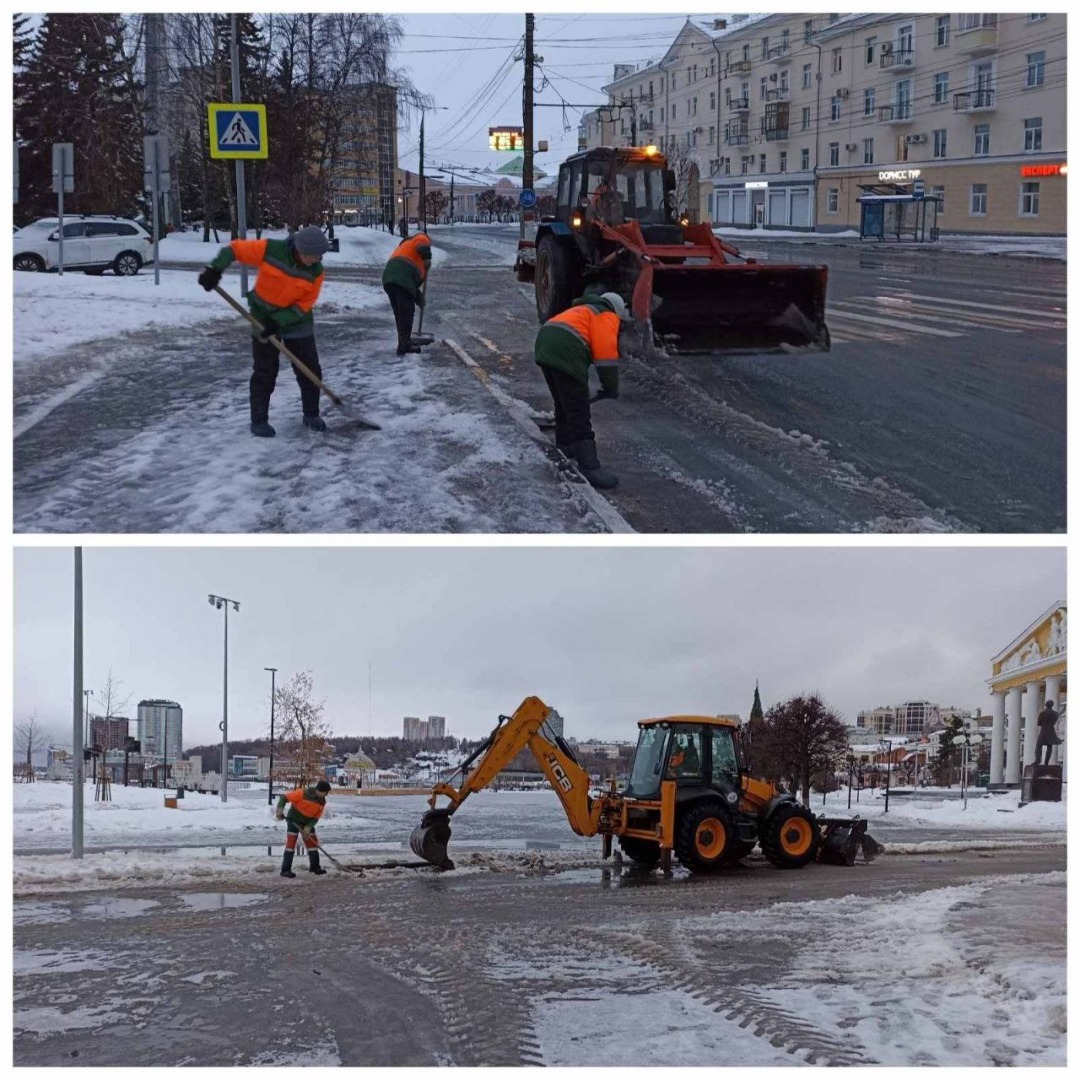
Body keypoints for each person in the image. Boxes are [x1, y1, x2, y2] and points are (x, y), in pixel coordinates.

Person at [197, 226, 330, 438]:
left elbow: (303, 304)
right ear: (302, 251)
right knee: (265, 370)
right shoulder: (271, 250)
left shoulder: (316, 272)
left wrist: (278, 322)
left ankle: (311, 413)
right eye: (316, 256)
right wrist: (215, 270)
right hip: (261, 317)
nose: (319, 259)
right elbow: (235, 250)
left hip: (297, 322)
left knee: (309, 368)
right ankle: (259, 420)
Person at [533, 291, 629, 489]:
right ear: (617, 311)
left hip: (545, 344)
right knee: (578, 409)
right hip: (565, 350)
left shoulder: (584, 309)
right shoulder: (606, 314)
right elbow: (606, 355)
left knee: (564, 402)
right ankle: (589, 465)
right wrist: (610, 386)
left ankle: (566, 445)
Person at [382, 232, 432, 356]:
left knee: (400, 314)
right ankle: (405, 344)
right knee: (406, 313)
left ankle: (403, 343)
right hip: (401, 277)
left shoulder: (406, 248)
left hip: (389, 277)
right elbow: (422, 246)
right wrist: (427, 258)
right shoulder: (420, 238)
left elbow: (412, 287)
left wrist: (419, 299)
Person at [275, 778, 332, 877]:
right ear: (320, 791)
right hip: (294, 820)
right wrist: (279, 810)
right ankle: (285, 870)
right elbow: (284, 798)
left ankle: (315, 867)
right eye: (326, 793)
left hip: (307, 823)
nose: (326, 795)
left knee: (312, 844)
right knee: (291, 844)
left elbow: (316, 817)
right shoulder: (302, 793)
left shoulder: (322, 802)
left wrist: (309, 827)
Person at [1035, 699, 1061, 766]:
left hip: (1043, 731)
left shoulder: (1042, 713)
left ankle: (1037, 760)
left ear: (1046, 705)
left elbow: (1039, 723)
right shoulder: (1055, 714)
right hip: (1051, 731)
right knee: (1049, 746)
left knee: (1038, 745)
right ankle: (1046, 762)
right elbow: (1054, 722)